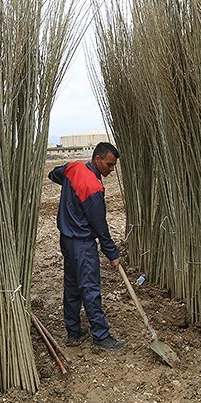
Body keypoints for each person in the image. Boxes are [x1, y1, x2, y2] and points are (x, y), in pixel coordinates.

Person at [48, 142, 126, 350]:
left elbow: (54, 174)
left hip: (66, 241)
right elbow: (101, 228)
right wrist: (112, 254)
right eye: (109, 165)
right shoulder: (92, 187)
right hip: (82, 244)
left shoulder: (74, 168)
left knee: (72, 286)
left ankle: (73, 331)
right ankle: (101, 336)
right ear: (97, 159)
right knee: (90, 288)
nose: (111, 169)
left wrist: (70, 189)